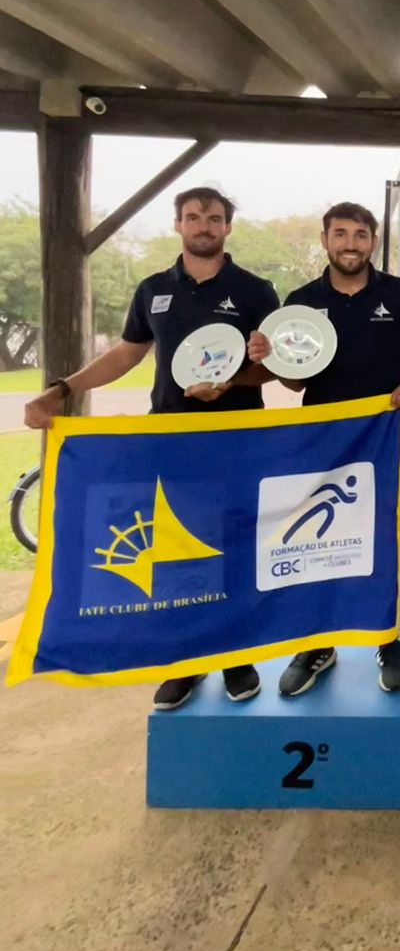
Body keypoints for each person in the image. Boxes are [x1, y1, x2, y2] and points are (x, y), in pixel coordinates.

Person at [24, 186, 278, 711]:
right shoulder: (153, 289)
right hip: (170, 440)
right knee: (178, 551)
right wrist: (62, 389)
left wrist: (232, 383)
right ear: (178, 225)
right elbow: (125, 355)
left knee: (233, 546)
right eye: (194, 217)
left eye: (214, 218)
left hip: (236, 440)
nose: (204, 226)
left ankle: (237, 657)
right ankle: (185, 661)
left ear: (227, 227)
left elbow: (270, 367)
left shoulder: (255, 290)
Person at [248, 202, 400, 697]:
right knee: (316, 539)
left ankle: (388, 638)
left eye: (360, 235)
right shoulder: (301, 301)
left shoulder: (399, 293)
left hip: (381, 434)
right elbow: (295, 382)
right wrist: (273, 361)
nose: (351, 244)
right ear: (325, 241)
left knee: (381, 540)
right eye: (340, 234)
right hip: (320, 436)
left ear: (373, 242)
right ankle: (317, 645)